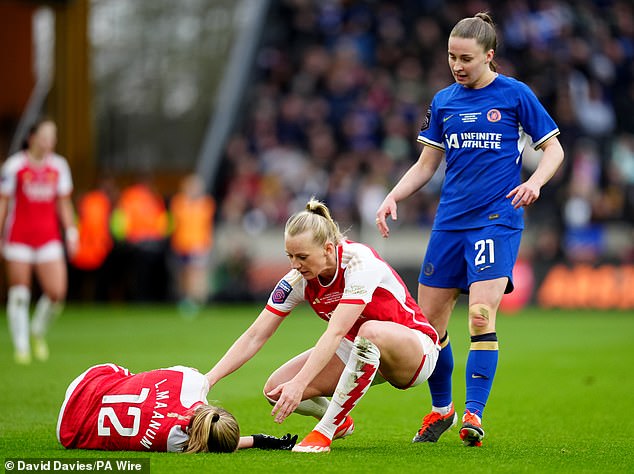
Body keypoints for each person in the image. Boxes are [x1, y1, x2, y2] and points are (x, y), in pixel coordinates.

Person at [375, 12, 565, 447]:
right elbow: (427, 164)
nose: (457, 66)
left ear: (490, 56)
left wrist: (534, 182)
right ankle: (442, 408)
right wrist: (393, 196)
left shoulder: (516, 95)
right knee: (428, 328)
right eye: (450, 57)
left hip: (496, 219)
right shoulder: (444, 101)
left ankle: (474, 414)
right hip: (449, 224)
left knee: (481, 314)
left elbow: (553, 148)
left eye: (466, 58)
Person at [205, 198, 440, 453]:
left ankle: (325, 431)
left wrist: (301, 383)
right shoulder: (298, 279)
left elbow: (336, 331)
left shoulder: (359, 262)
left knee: (369, 331)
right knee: (276, 389)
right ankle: (340, 424)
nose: (295, 264)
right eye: (290, 256)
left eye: (302, 257)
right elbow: (255, 335)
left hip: (415, 352)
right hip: (360, 348)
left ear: (328, 249)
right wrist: (208, 380)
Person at [57, 363, 297, 453]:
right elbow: (210, 442)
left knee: (139, 379)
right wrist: (261, 440)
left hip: (90, 382)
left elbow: (181, 374)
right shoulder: (176, 442)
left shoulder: (193, 383)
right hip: (70, 430)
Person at [0, 118, 78, 365]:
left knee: (56, 293)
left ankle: (37, 331)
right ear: (32, 138)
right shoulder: (14, 167)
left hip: (48, 237)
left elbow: (63, 203)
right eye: (45, 136)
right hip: (19, 237)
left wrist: (72, 231)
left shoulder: (59, 167)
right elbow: (3, 202)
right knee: (20, 293)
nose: (49, 142)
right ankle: (22, 347)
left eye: (52, 137)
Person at [169, 174, 216, 316]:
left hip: (198, 244)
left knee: (195, 272)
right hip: (181, 243)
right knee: (183, 273)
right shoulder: (178, 202)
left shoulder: (206, 204)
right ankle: (186, 298)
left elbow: (206, 224)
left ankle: (194, 300)